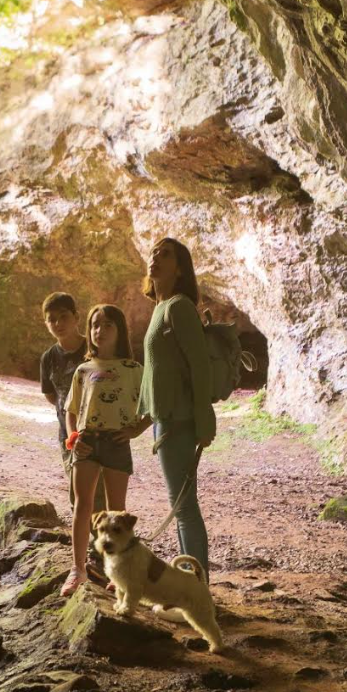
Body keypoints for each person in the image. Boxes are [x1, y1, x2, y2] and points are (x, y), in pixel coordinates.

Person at [138, 237, 216, 579]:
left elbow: (199, 367)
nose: (155, 257)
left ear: (180, 269)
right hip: (165, 420)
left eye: (165, 254)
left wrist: (204, 421)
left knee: (184, 509)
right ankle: (192, 584)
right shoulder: (160, 307)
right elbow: (157, 373)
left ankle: (197, 587)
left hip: (179, 422)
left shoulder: (179, 307)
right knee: (181, 506)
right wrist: (142, 420)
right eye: (153, 252)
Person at [60, 304, 148, 596]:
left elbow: (153, 407)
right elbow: (71, 410)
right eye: (95, 325)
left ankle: (118, 571)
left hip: (117, 444)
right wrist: (73, 438)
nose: (100, 330)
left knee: (116, 512)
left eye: (108, 324)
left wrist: (136, 430)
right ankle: (78, 570)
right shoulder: (83, 370)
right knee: (82, 506)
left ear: (120, 330)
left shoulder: (134, 370)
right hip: (86, 443)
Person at [38, 292, 105, 519]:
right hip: (68, 434)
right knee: (78, 489)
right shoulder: (48, 358)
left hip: (99, 431)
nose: (58, 323)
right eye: (52, 319)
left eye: (63, 316)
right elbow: (51, 395)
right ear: (46, 323)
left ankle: (101, 534)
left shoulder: (94, 350)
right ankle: (85, 534)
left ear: (76, 317)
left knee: (98, 490)